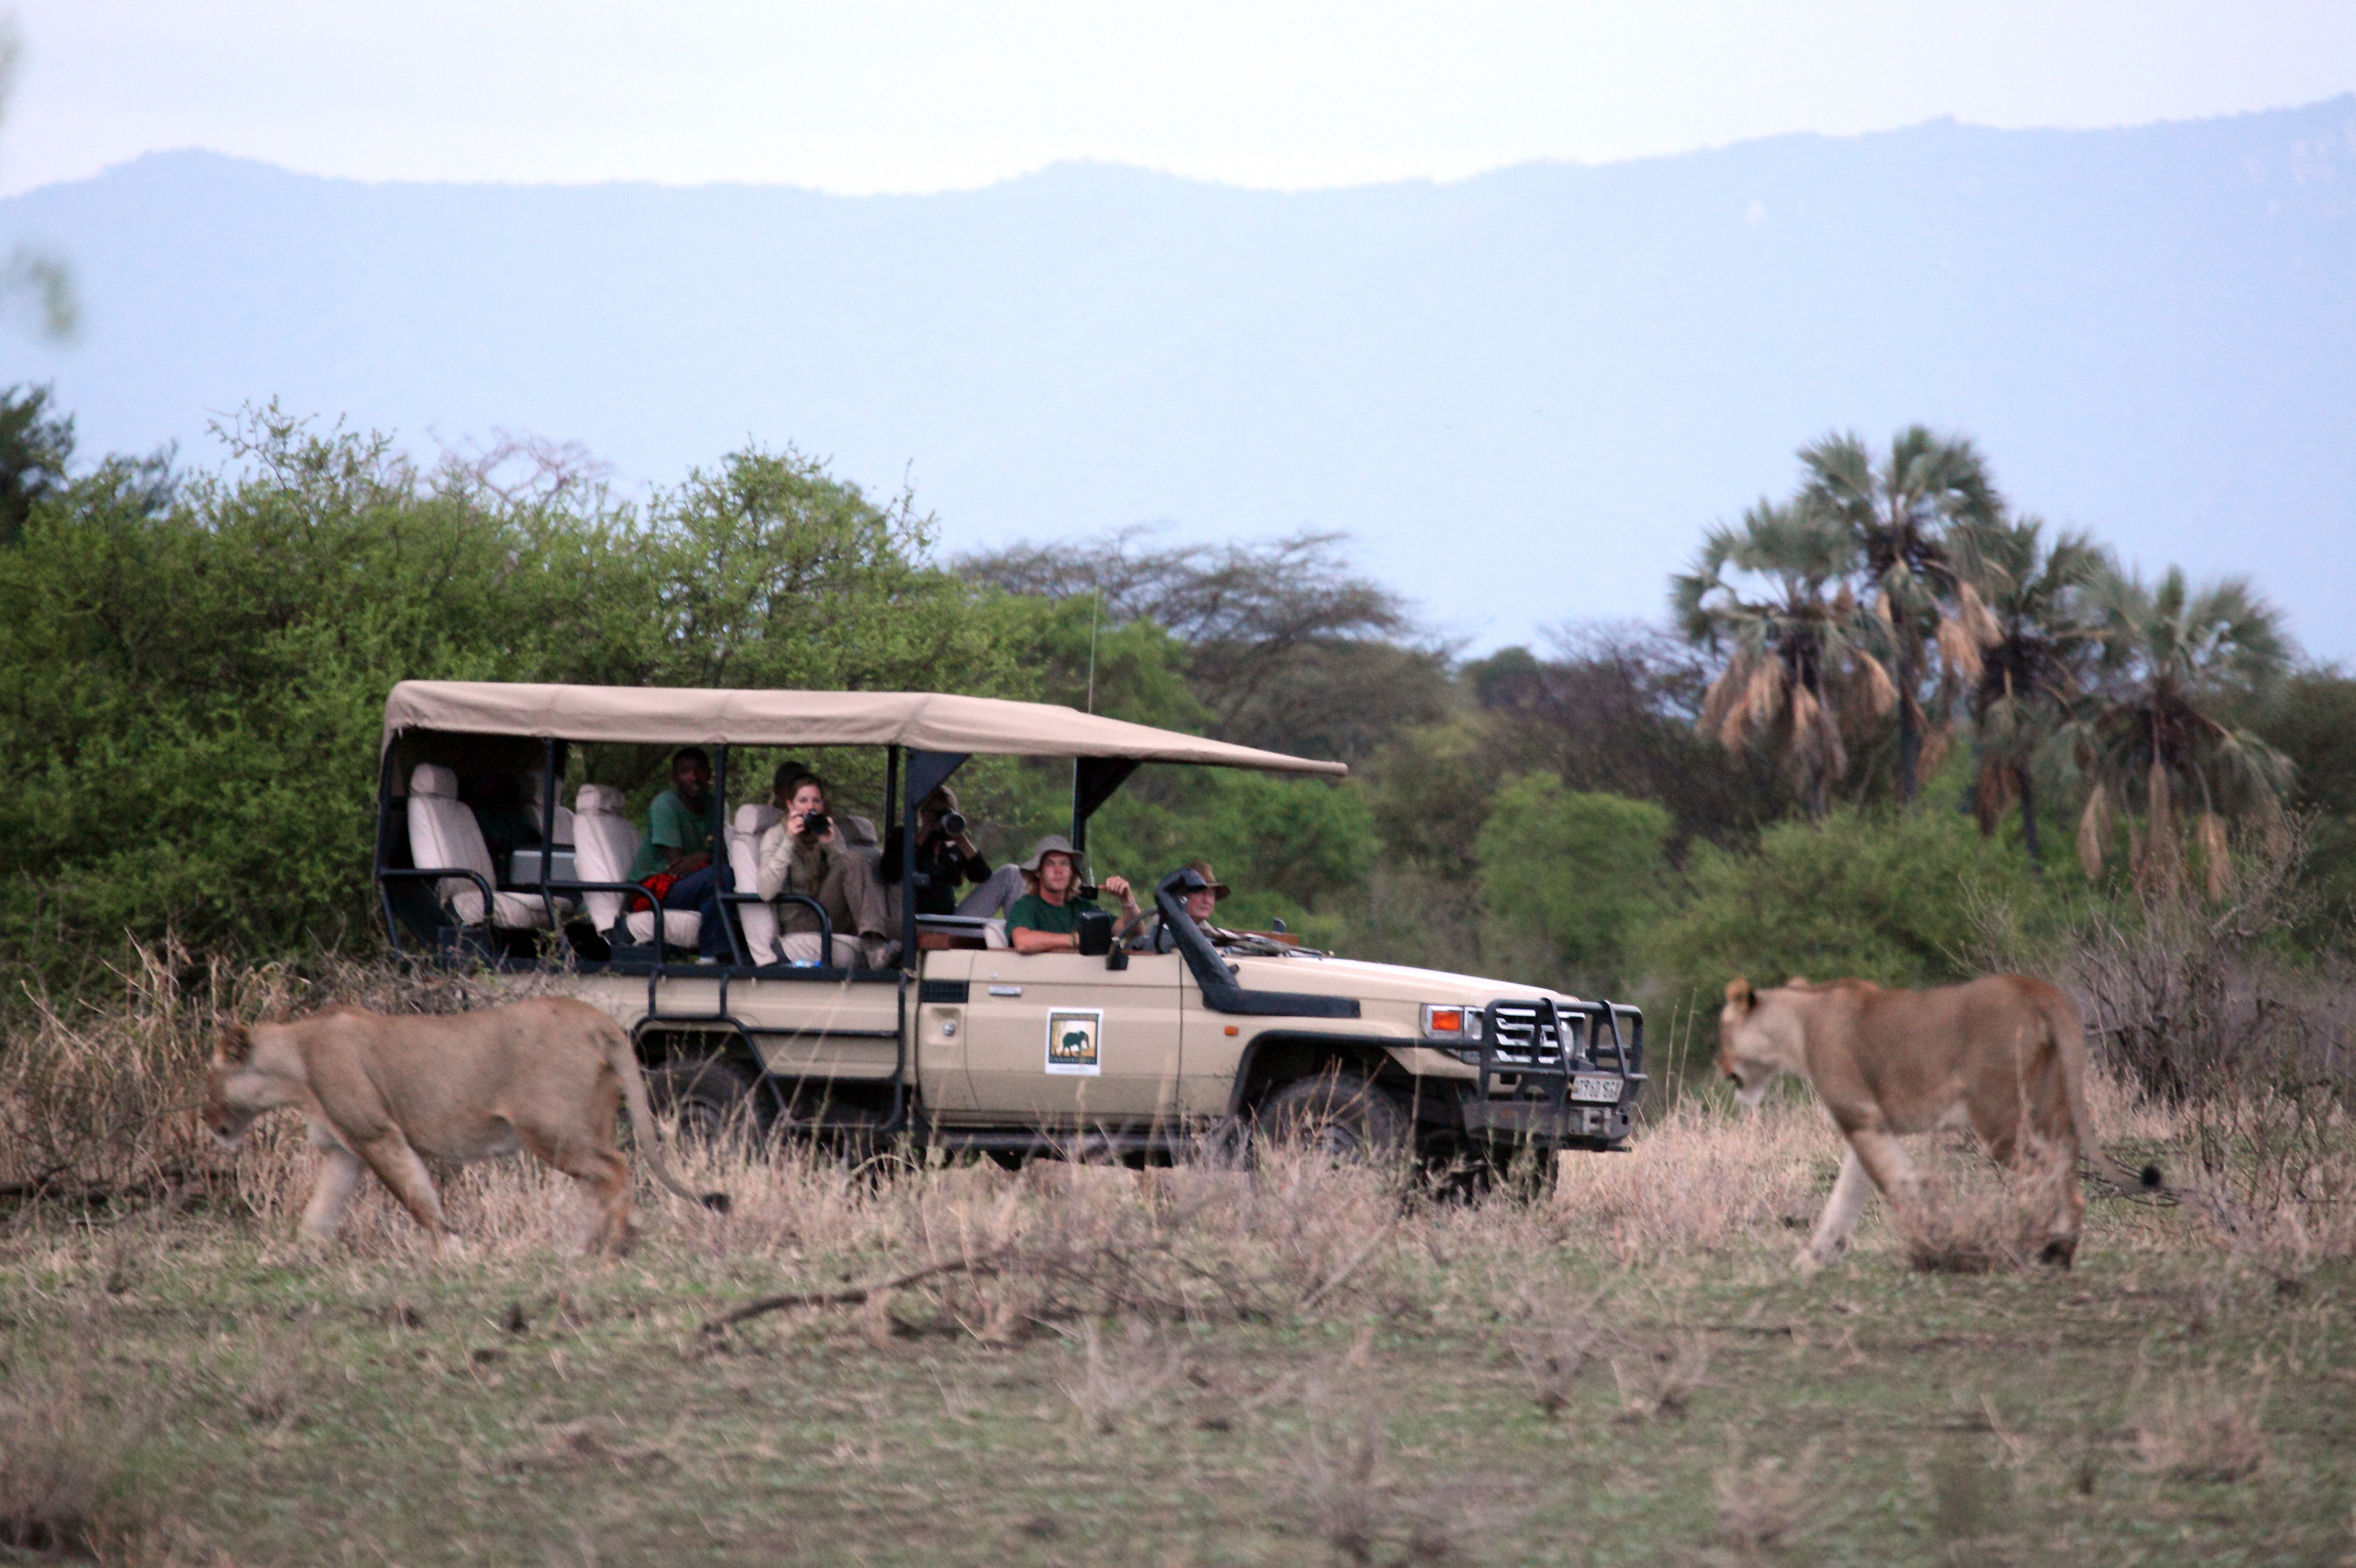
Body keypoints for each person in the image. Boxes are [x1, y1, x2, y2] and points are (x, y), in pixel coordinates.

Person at [757, 772, 892, 966]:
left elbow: (848, 878)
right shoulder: (776, 835)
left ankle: (885, 945)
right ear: (790, 805)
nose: (810, 807)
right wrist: (789, 840)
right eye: (803, 801)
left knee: (855, 858)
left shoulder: (826, 830)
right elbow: (766, 891)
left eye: (816, 801)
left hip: (826, 910)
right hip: (799, 919)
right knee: (852, 858)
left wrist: (830, 845)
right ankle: (874, 948)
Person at [627, 747, 729, 961]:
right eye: (685, 772)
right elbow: (677, 866)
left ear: (709, 774)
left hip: (689, 884)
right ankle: (709, 957)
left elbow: (722, 854)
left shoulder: (713, 804)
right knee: (719, 875)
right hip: (656, 889)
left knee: (726, 875)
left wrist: (706, 858)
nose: (694, 777)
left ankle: (737, 953)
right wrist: (708, 857)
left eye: (699, 770)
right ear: (674, 778)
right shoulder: (665, 805)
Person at [1004, 835, 1143, 955]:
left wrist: (1127, 900)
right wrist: (1076, 940)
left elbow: (1134, 932)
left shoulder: (1083, 908)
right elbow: (1023, 942)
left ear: (1072, 872)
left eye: (1064, 863)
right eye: (1050, 864)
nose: (1058, 870)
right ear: (1038, 872)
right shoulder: (1026, 906)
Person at [878, 785, 993, 917]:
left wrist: (960, 837)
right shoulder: (904, 837)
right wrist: (923, 833)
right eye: (936, 813)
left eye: (947, 813)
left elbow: (982, 877)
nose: (941, 819)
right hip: (915, 919)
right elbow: (890, 874)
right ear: (923, 813)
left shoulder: (951, 845)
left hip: (949, 919)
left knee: (1009, 872)